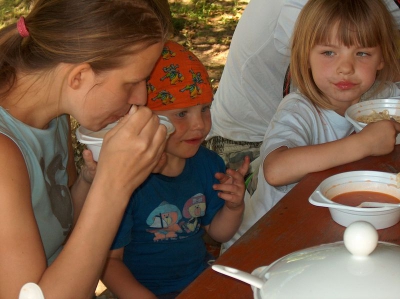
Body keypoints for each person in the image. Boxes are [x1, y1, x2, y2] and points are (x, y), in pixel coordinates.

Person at [0, 0, 172, 298]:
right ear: (78, 77)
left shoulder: (55, 118)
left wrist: (90, 180)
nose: (142, 97)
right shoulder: (4, 154)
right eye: (132, 82)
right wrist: (113, 186)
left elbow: (61, 227)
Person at [222, 0, 400, 250]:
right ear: (305, 55)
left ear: (381, 59)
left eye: (362, 54)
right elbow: (276, 170)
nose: (346, 68)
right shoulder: (299, 109)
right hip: (261, 244)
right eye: (329, 52)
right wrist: (363, 144)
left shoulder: (380, 97)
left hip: (321, 232)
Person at [101, 41, 250, 299]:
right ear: (144, 117)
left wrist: (233, 207)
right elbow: (108, 262)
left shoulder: (207, 164)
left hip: (198, 282)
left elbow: (217, 232)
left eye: (204, 109)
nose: (199, 126)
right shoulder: (129, 179)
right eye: (182, 114)